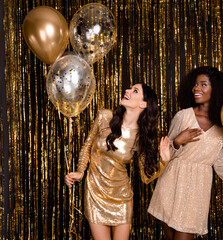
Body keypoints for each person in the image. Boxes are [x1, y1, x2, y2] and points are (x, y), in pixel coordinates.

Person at [147, 66, 223, 240]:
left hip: (197, 188)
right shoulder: (183, 116)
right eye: (195, 84)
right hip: (171, 182)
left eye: (203, 85)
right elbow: (166, 156)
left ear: (216, 89)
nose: (196, 88)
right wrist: (177, 141)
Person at [65, 83, 170, 240]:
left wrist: (164, 163)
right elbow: (87, 146)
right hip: (95, 193)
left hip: (122, 197)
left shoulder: (140, 138)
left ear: (143, 104)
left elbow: (145, 178)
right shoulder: (105, 116)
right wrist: (80, 172)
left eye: (135, 91)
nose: (127, 91)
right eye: (130, 88)